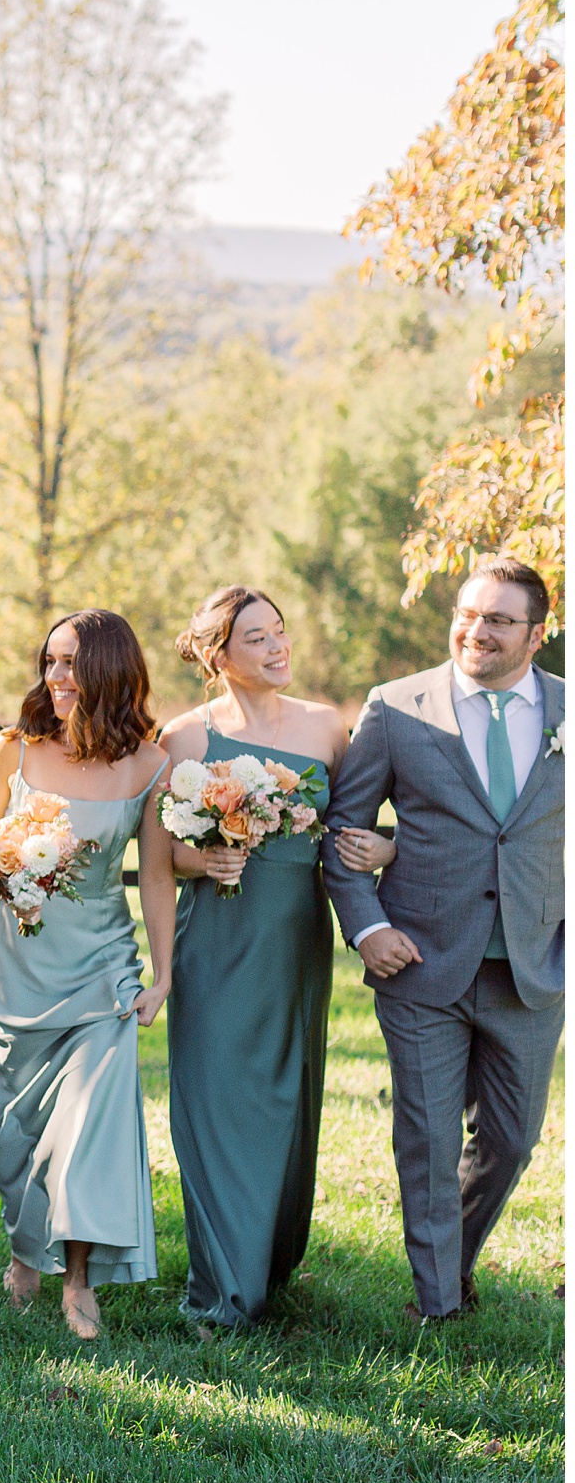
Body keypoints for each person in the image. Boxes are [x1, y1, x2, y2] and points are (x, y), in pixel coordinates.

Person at [322, 557, 564, 1324]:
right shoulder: (397, 709)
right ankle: (438, 1305)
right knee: (426, 1139)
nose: (476, 629)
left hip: (532, 964)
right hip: (420, 960)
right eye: (467, 612)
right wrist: (367, 928)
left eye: (497, 619)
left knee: (512, 1138)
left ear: (536, 633)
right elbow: (343, 830)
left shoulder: (566, 712)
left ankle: (449, 1256)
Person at [0, 609, 175, 1341]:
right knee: (17, 1131)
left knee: (89, 1125)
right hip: (14, 966)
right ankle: (27, 1249)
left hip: (101, 971)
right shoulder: (13, 749)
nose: (55, 676)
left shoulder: (151, 765)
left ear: (109, 673)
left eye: (71, 664)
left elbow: (154, 875)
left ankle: (79, 1277)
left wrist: (161, 974)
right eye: (50, 661)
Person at [159, 587, 351, 1328]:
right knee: (215, 1101)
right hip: (216, 940)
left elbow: (356, 825)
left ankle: (269, 1254)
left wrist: (386, 846)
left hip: (295, 940)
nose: (277, 647)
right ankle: (224, 1285)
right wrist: (204, 859)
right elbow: (166, 851)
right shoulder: (185, 738)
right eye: (256, 638)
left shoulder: (329, 729)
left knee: (285, 1101)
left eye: (280, 631)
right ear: (218, 657)